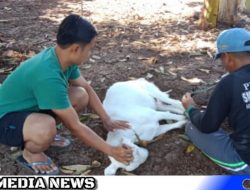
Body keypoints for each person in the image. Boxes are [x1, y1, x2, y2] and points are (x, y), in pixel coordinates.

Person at [0, 14, 133, 175]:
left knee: (80, 95)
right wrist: (111, 150)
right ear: (76, 48)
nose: (90, 53)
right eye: (90, 48)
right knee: (46, 127)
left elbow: (86, 88)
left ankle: (42, 134)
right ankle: (31, 152)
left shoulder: (62, 59)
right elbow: (75, 126)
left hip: (27, 108)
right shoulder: (48, 75)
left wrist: (107, 119)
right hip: (5, 120)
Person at [181, 28, 250, 174]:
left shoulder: (229, 83)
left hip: (244, 161)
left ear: (227, 57)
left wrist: (191, 109)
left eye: (222, 60)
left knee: (191, 127)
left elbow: (207, 126)